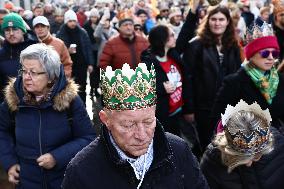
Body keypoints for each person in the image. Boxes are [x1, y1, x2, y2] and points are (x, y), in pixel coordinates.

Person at [62, 63, 209, 189]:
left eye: (148, 122)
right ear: (106, 120)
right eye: (128, 125)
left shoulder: (179, 150)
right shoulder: (81, 170)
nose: (142, 135)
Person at [0, 44, 96, 189]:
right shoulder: (14, 99)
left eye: (33, 72)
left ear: (51, 76)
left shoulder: (70, 101)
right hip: (26, 180)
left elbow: (88, 138)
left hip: (63, 179)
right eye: (24, 71)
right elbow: (2, 131)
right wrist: (9, 162)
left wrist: (57, 157)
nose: (26, 77)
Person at [182, 5, 242, 151]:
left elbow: (238, 75)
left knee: (227, 146)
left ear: (228, 21)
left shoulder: (233, 44)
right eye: (213, 19)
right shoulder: (196, 44)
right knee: (208, 147)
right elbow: (187, 78)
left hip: (229, 106)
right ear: (207, 21)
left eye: (221, 19)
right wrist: (189, 108)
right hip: (203, 107)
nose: (217, 23)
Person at [211, 23, 284, 132]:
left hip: (278, 143)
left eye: (274, 53)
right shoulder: (234, 82)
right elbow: (218, 120)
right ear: (251, 54)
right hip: (247, 144)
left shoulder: (280, 79)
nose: (270, 57)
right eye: (264, 53)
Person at [200, 100, 284, 189]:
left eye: (257, 156)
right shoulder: (213, 159)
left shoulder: (278, 143)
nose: (248, 164)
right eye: (240, 157)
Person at [140, 25, 194, 141]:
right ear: (163, 39)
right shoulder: (149, 63)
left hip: (179, 111)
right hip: (163, 115)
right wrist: (160, 88)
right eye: (172, 35)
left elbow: (185, 34)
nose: (175, 38)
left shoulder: (173, 55)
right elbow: (141, 89)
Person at [57, 9, 94, 104]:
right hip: (67, 65)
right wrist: (67, 51)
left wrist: (90, 63)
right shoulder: (61, 33)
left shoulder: (82, 32)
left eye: (74, 21)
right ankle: (71, 109)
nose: (72, 23)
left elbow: (88, 48)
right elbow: (58, 50)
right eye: (70, 21)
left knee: (82, 86)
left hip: (81, 64)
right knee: (69, 88)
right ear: (66, 21)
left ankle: (83, 106)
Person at [0, 13, 37, 103]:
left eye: (15, 29)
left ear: (23, 30)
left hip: (35, 104)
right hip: (8, 106)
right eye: (7, 30)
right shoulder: (1, 54)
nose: (11, 33)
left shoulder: (36, 50)